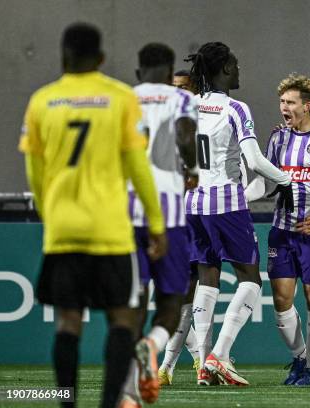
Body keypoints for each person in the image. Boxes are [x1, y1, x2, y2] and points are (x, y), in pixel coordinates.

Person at [19, 23, 166, 408]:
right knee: (122, 319)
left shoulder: (41, 101)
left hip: (64, 228)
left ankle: (67, 404)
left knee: (68, 323)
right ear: (101, 58)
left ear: (63, 56)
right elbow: (138, 167)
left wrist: (54, 211)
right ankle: (107, 403)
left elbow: (35, 173)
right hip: (110, 230)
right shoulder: (119, 98)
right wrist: (155, 223)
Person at [184, 42, 293, 386]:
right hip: (226, 203)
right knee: (250, 278)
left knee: (207, 277)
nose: (240, 69)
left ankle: (204, 365)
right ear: (226, 70)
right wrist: (285, 179)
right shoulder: (235, 108)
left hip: (193, 202)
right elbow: (255, 160)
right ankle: (220, 355)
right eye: (236, 63)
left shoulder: (189, 106)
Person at [246, 74, 310, 385]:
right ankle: (300, 359)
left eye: (290, 102)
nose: (283, 107)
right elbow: (266, 181)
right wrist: (238, 198)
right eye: (282, 102)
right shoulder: (277, 139)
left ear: (307, 105)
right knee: (281, 298)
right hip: (282, 230)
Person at [118, 43, 198, 406]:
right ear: (170, 74)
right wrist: (192, 168)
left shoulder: (123, 99)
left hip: (127, 212)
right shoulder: (181, 99)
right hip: (168, 213)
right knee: (173, 299)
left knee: (134, 298)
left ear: (138, 72)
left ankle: (131, 388)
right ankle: (153, 345)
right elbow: (184, 134)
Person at [157, 69, 203, 387]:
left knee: (193, 290)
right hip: (173, 216)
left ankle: (169, 365)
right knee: (179, 292)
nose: (179, 94)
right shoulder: (164, 127)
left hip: (205, 215)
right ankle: (202, 356)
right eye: (174, 89)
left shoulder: (207, 122)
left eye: (184, 88)